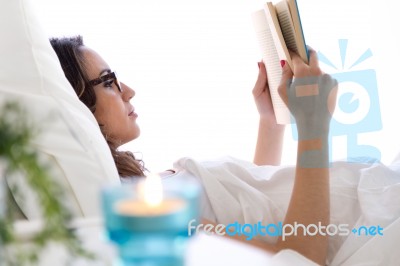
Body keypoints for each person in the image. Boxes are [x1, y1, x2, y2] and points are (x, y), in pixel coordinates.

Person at [50, 35, 337, 265]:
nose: (129, 90)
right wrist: (313, 128)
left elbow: (251, 209)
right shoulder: (145, 215)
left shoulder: (137, 189)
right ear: (77, 105)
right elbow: (299, 259)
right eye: (109, 81)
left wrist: (270, 124)